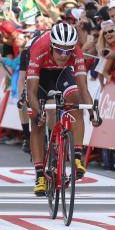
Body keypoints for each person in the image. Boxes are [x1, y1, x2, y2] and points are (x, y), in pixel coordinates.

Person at [26, 23, 97, 196]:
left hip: (61, 74)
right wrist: (39, 113)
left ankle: (77, 158)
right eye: (59, 50)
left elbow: (83, 88)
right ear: (51, 46)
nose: (64, 55)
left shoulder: (76, 52)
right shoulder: (39, 48)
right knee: (36, 121)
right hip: (41, 76)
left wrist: (92, 112)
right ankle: (40, 175)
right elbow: (31, 92)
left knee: (76, 102)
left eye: (68, 51)